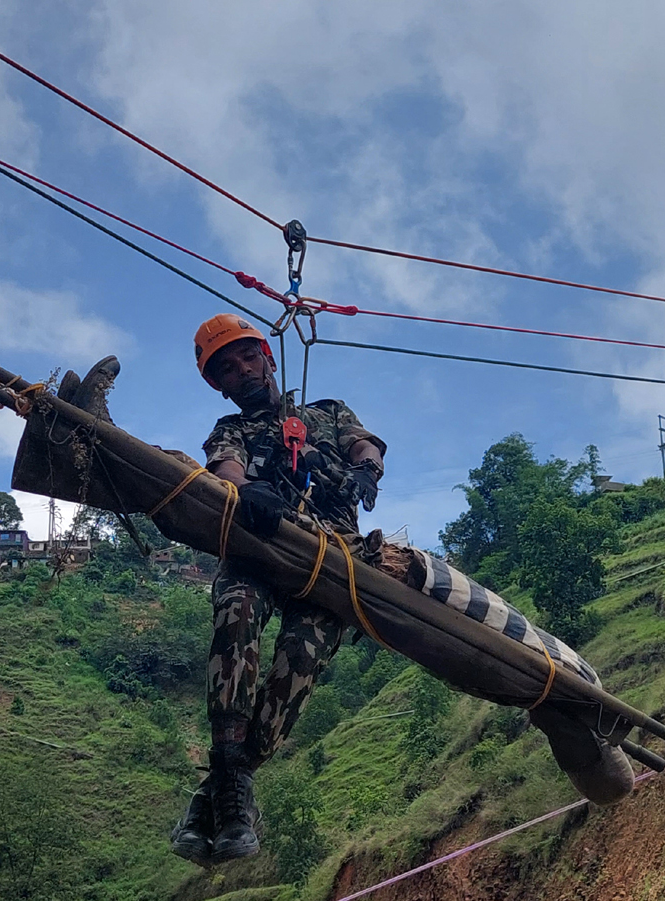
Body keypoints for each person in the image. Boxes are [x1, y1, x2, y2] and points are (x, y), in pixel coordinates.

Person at [169, 313, 387, 866]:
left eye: (246, 357)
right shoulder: (231, 430)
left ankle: (216, 794)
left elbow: (364, 445)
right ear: (218, 384)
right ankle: (233, 796)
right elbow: (225, 466)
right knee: (237, 608)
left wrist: (366, 470)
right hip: (263, 548)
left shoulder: (326, 413)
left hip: (332, 557)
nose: (241, 370)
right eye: (226, 369)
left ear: (266, 355)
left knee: (302, 657)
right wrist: (247, 492)